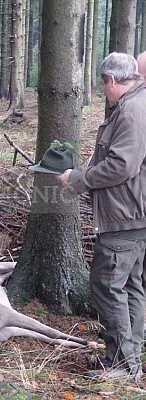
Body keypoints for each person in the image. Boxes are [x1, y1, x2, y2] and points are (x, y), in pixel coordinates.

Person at [56, 52, 146, 381]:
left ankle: (123, 365)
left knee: (108, 287)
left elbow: (122, 165)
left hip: (124, 215)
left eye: (102, 84)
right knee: (130, 286)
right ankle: (128, 360)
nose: (103, 91)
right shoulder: (135, 104)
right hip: (133, 214)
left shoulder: (133, 110)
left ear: (110, 80)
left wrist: (78, 179)